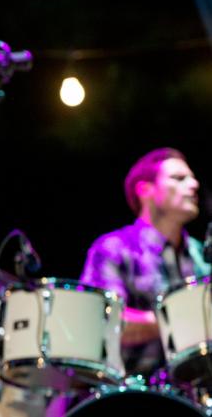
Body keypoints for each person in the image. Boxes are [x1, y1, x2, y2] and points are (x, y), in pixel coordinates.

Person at [81, 147, 208, 378]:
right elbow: (100, 321)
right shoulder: (114, 248)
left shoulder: (202, 254)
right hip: (133, 390)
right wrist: (182, 319)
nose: (194, 184)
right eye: (179, 178)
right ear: (146, 190)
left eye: (192, 178)